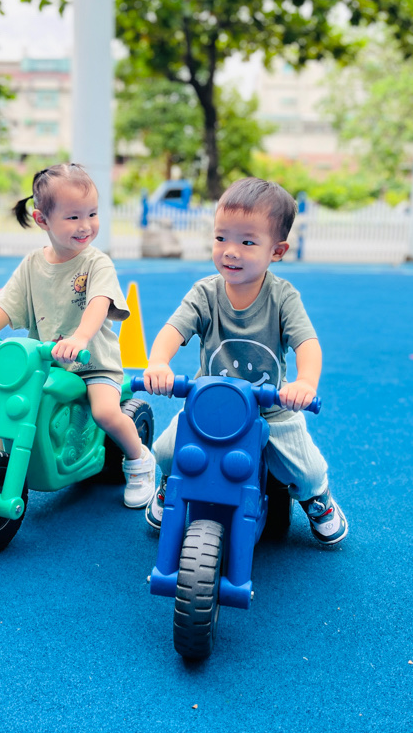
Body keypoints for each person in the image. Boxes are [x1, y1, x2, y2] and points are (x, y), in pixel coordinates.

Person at [140, 177, 347, 544]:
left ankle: (318, 499)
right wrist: (159, 362)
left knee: (308, 471)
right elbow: (174, 329)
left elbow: (307, 343)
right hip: (210, 406)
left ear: (277, 251)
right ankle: (170, 483)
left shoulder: (282, 297)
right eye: (221, 238)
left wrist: (304, 383)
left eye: (247, 242)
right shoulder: (205, 293)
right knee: (167, 451)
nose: (230, 251)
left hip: (271, 409)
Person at [0, 163, 156, 508]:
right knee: (6, 412)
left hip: (93, 363)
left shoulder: (96, 263)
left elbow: (98, 302)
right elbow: (8, 302)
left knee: (105, 413)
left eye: (92, 214)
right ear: (42, 220)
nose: (86, 225)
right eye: (73, 217)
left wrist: (80, 338)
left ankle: (139, 460)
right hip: (46, 362)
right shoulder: (32, 264)